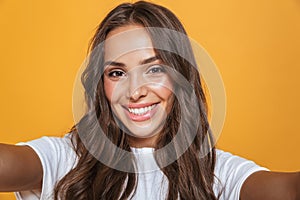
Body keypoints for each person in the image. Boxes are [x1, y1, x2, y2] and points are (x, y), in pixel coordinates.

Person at [0, 1, 299, 200]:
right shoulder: (66, 159)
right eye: (117, 72)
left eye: (154, 68)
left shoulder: (218, 173)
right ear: (101, 84)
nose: (135, 91)